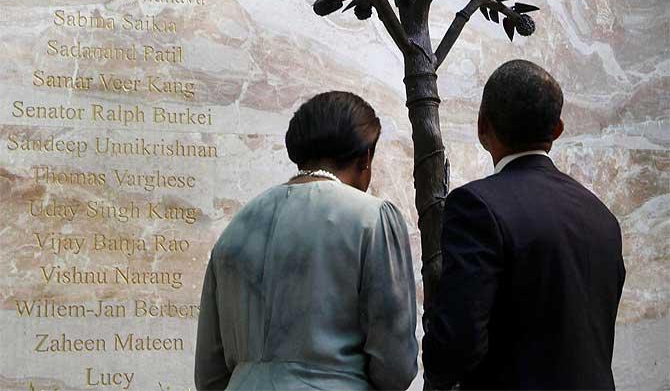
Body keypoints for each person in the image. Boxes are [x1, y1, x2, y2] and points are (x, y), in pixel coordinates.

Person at [423, 59, 626, 391]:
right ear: (557, 130)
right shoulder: (602, 216)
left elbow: (456, 345)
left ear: (481, 125)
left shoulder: (476, 206)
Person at [195, 90, 418, 390]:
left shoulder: (237, 227)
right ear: (365, 158)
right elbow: (395, 367)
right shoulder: (371, 218)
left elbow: (209, 375)